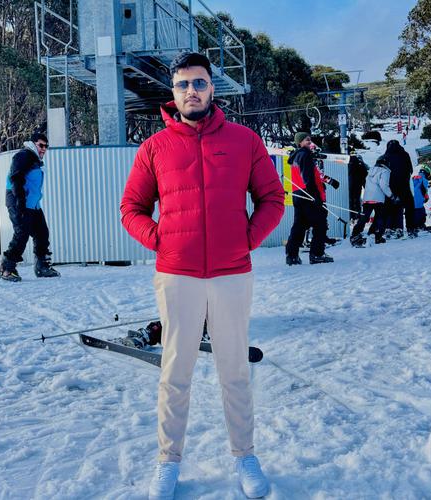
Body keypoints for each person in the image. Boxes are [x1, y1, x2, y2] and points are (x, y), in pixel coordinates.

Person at [120, 52, 284, 500]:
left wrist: (246, 239)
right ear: (172, 93)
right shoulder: (155, 148)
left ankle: (245, 456)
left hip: (232, 274)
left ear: (212, 88)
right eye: (183, 84)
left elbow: (272, 198)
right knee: (175, 372)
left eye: (199, 83)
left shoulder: (244, 141)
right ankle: (168, 461)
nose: (191, 91)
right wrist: (160, 239)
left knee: (234, 370)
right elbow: (131, 207)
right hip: (178, 275)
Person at [0, 132, 60, 282]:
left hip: (32, 204)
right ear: (33, 144)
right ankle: (6, 268)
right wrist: (20, 201)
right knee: (22, 234)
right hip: (18, 201)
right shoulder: (24, 155)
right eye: (41, 145)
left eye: (46, 146)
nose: (44, 149)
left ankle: (42, 266)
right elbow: (15, 178)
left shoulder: (35, 159)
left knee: (42, 233)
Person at [285, 132, 335, 265]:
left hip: (298, 194)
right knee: (320, 223)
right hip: (308, 194)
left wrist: (326, 182)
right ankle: (317, 254)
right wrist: (316, 196)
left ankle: (292, 255)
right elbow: (307, 177)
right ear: (300, 142)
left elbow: (309, 176)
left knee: (299, 225)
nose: (309, 142)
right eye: (306, 140)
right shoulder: (305, 155)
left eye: (310, 140)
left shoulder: (296, 156)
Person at [350, 157, 395, 247]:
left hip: (367, 198)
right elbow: (384, 185)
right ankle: (378, 236)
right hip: (378, 198)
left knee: (364, 217)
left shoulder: (370, 171)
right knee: (380, 217)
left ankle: (355, 233)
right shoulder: (385, 171)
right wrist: (391, 195)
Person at [383, 139, 417, 238]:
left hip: (390, 186)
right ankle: (410, 229)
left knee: (389, 207)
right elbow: (410, 170)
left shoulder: (386, 156)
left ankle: (388, 228)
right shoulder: (405, 155)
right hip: (404, 186)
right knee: (409, 207)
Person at [413, 165, 431, 232]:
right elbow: (424, 190)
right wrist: (426, 197)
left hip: (411, 199)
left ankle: (413, 225)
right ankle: (420, 225)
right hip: (418, 200)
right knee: (421, 212)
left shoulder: (414, 178)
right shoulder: (424, 180)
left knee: (413, 212)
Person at [348, 150, 368, 221]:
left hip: (349, 184)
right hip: (358, 184)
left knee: (350, 200)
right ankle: (357, 215)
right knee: (357, 200)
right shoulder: (361, 164)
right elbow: (365, 174)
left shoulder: (348, 163)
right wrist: (364, 185)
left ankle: (351, 216)